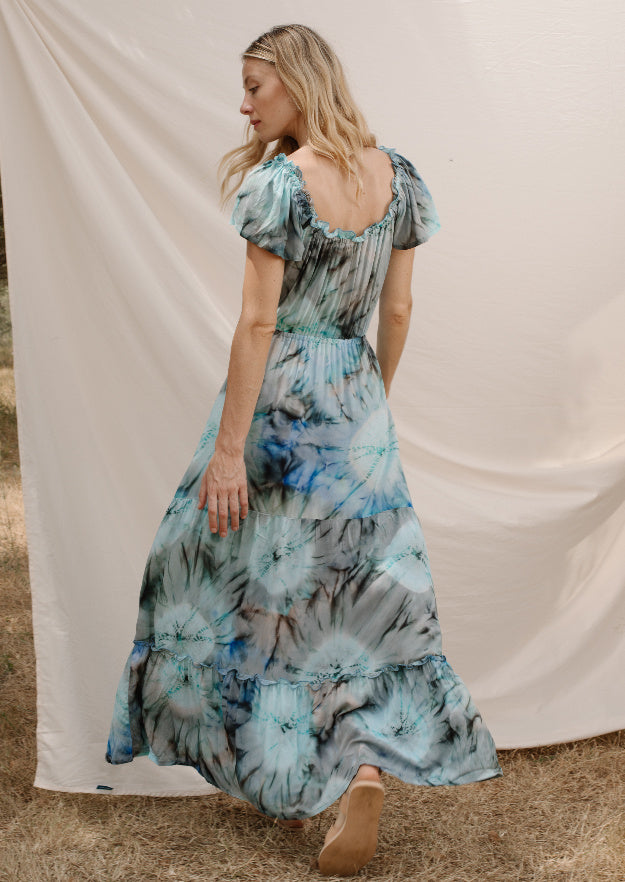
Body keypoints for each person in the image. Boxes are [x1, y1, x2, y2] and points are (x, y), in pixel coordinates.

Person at [105, 23, 503, 877]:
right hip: (356, 403)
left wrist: (228, 451)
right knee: (350, 599)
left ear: (296, 81)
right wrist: (368, 405)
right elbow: (397, 310)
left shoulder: (281, 186)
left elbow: (257, 323)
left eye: (255, 87)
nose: (243, 105)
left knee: (230, 580)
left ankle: (280, 761)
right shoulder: (397, 177)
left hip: (278, 403)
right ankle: (357, 769)